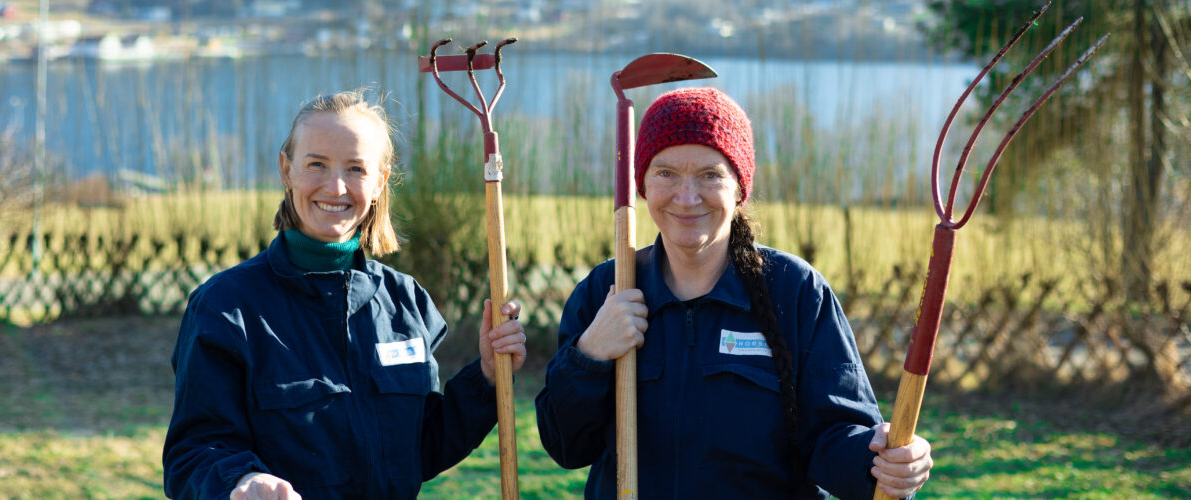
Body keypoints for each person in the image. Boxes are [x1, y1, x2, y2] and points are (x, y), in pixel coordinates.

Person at [534, 87, 932, 499]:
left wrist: (883, 462)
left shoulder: (794, 291)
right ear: (643, 185)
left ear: (740, 188)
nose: (686, 198)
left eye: (710, 175)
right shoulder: (607, 288)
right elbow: (564, 445)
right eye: (666, 172)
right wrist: (591, 355)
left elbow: (835, 437)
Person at [163, 90, 528, 500]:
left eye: (356, 169)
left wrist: (487, 378)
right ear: (287, 171)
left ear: (379, 182)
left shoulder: (405, 302)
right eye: (316, 164)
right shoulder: (226, 308)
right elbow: (193, 452)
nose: (335, 187)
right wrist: (240, 482)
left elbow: (419, 450)